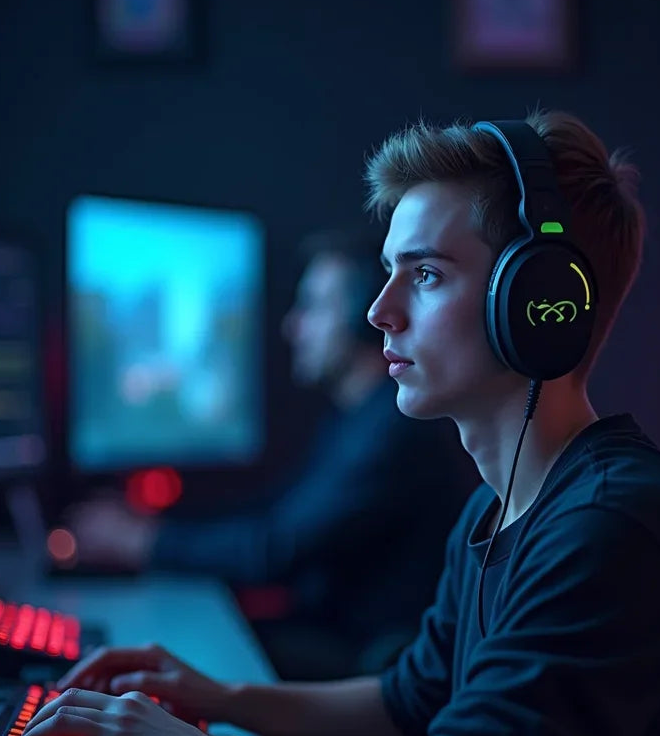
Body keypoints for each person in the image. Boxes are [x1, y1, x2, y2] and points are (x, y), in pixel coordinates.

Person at [15, 111, 660, 736]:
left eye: (427, 275)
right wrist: (216, 696)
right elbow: (409, 702)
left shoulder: (610, 531)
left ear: (540, 302)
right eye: (387, 273)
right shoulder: (501, 504)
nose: (379, 312)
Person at [65, 227, 475, 680]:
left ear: (366, 315)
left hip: (366, 665)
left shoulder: (396, 431)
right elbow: (275, 509)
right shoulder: (358, 418)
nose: (292, 326)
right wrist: (155, 526)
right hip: (333, 636)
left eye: (313, 307)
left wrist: (139, 541)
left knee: (178, 653)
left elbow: (276, 549)